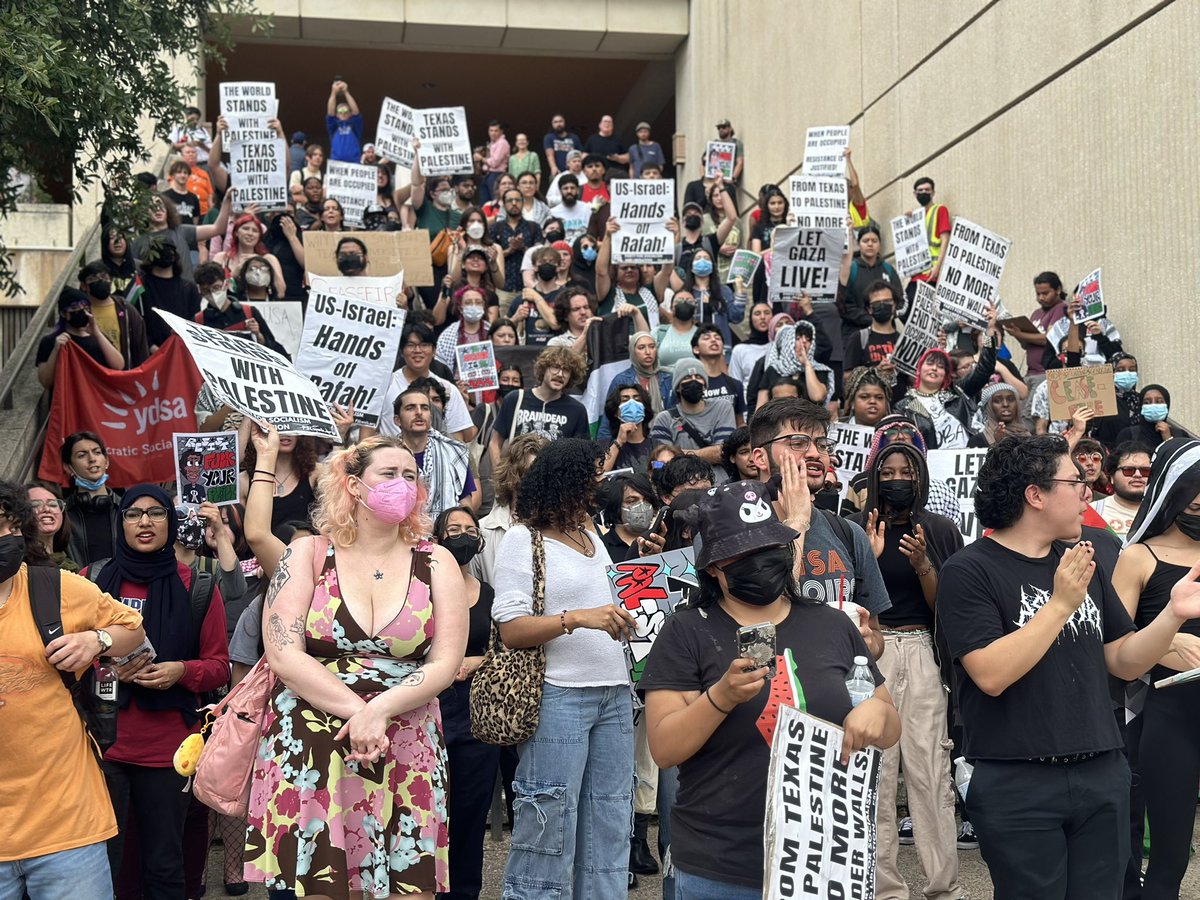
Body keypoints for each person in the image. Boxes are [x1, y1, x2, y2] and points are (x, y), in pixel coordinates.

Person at [935, 434, 1200, 898]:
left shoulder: (1082, 563)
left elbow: (1122, 659)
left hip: (1101, 768)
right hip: (1018, 778)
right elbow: (991, 675)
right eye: (1076, 481)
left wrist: (1172, 614)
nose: (1088, 491)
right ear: (1035, 495)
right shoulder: (969, 570)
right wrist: (1059, 605)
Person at [641, 477, 899, 898]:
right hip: (720, 867)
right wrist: (719, 698)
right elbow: (665, 748)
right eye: (742, 555)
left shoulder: (832, 624)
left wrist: (877, 713)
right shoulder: (686, 632)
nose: (759, 561)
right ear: (712, 568)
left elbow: (889, 726)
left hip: (822, 863)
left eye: (768, 548)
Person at [244, 436, 467, 898]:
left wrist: (380, 710)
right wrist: (360, 712)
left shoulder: (436, 560)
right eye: (389, 474)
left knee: (412, 885)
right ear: (353, 485)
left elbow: (445, 662)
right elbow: (284, 653)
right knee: (321, 885)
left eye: (410, 476)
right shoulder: (305, 553)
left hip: (406, 739)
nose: (402, 484)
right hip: (313, 743)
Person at [492, 438, 637, 899]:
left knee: (611, 820)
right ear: (566, 481)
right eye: (593, 474)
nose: (601, 482)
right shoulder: (522, 539)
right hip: (559, 694)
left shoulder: (592, 536)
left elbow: (612, 604)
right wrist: (577, 618)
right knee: (548, 820)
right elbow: (511, 629)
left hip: (614, 692)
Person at [0, 481, 147, 900]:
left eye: (14, 528)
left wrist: (96, 640)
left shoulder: (56, 588)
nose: (7, 539)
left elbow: (133, 630)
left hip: (68, 826)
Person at [86, 486, 229, 899]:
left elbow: (218, 666)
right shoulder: (92, 581)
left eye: (155, 513)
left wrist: (180, 670)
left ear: (171, 521)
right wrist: (103, 662)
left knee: (165, 863)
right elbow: (68, 654)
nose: (144, 522)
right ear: (121, 522)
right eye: (133, 514)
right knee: (106, 863)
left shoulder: (198, 586)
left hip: (167, 749)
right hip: (102, 746)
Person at [850, 443, 965, 900]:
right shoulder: (857, 529)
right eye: (889, 470)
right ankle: (883, 889)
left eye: (907, 471)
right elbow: (848, 598)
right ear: (875, 478)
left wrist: (923, 566)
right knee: (873, 776)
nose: (898, 478)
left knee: (931, 774)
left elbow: (951, 609)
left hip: (919, 651)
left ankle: (945, 887)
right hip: (868, 653)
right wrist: (871, 557)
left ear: (920, 480)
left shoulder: (938, 529)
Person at [1111, 438, 1200, 900]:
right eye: (1191, 496)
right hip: (1169, 717)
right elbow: (1115, 646)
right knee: (1169, 859)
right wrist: (1166, 642)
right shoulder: (1138, 557)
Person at [746, 398, 892, 657]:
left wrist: (869, 643)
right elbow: (761, 617)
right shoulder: (733, 533)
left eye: (822, 444)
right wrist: (798, 522)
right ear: (760, 457)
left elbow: (876, 635)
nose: (815, 453)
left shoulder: (849, 534)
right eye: (798, 442)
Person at [430, 506, 498, 900]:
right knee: (428, 811)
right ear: (438, 538)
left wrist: (479, 660)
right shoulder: (421, 589)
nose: (462, 535)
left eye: (470, 529)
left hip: (479, 715)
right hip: (431, 709)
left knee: (470, 815)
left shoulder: (489, 595)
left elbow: (505, 648)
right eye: (453, 529)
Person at [377, 322, 478, 443]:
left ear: (434, 350)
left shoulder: (447, 389)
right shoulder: (384, 385)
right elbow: (369, 429)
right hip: (392, 459)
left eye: (424, 345)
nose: (417, 350)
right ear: (401, 351)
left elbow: (458, 436)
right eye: (411, 345)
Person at [488, 346, 589, 465]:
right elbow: (495, 443)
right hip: (516, 479)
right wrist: (501, 479)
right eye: (555, 367)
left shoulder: (577, 410)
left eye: (566, 370)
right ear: (544, 369)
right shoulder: (515, 399)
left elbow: (582, 455)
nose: (560, 374)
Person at [470, 432, 548, 585]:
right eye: (528, 473)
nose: (536, 482)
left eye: (543, 475)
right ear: (512, 476)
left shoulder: (562, 529)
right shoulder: (483, 532)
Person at [392, 385, 479, 518]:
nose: (419, 412)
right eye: (410, 408)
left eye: (424, 408)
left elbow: (466, 504)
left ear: (430, 418)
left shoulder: (454, 453)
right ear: (397, 420)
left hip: (444, 534)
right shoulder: (386, 456)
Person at [648, 358, 736, 466]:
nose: (694, 381)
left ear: (705, 385)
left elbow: (724, 453)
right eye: (687, 377)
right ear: (678, 387)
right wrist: (708, 453)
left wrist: (679, 454)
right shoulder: (664, 419)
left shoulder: (722, 408)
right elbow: (661, 463)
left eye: (699, 377)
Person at [35, 288, 125, 389]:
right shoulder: (50, 341)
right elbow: (46, 381)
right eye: (74, 307)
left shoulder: (98, 338)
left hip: (95, 399)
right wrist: (56, 351)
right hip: (67, 401)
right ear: (63, 313)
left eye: (86, 307)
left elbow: (118, 365)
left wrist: (98, 334)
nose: (81, 311)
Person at [61, 431, 122, 568]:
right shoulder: (61, 514)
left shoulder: (127, 510)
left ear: (106, 461)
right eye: (82, 455)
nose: (92, 459)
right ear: (68, 467)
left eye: (97, 452)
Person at [131, 236, 204, 351]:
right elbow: (136, 322)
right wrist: (151, 347)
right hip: (150, 355)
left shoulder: (189, 288)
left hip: (182, 352)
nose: (165, 253)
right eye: (159, 250)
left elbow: (195, 324)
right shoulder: (140, 286)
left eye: (169, 249)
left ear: (175, 254)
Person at [77, 260, 150, 368]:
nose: (100, 281)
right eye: (93, 278)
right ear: (83, 286)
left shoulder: (126, 310)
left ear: (110, 280)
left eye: (104, 277)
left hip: (122, 376)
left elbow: (140, 347)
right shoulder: (80, 313)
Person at [754, 322, 833, 409]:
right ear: (788, 341)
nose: (804, 342)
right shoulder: (774, 369)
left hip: (809, 420)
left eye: (808, 339)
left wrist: (807, 364)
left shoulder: (819, 369)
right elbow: (760, 407)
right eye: (798, 338)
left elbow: (817, 397)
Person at [605, 331, 673, 422]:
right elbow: (608, 419)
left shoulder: (668, 378)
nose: (648, 352)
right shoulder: (621, 380)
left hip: (664, 431)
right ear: (633, 352)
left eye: (652, 347)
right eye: (641, 348)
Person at [905, 177, 951, 305]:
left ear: (933, 192)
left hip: (931, 274)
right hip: (916, 274)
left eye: (927, 190)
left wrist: (937, 267)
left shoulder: (939, 210)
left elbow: (945, 239)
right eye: (920, 190)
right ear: (915, 194)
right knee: (905, 308)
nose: (924, 192)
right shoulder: (915, 215)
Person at [1092, 442, 1152, 539]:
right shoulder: (1093, 511)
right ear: (1111, 477)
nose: (1138, 475)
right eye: (1128, 470)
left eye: (1145, 471)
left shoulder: (1163, 515)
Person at [691, 323, 746, 425]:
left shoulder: (735, 385)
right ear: (696, 349)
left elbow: (740, 423)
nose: (713, 340)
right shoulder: (690, 385)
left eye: (717, 338)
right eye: (706, 338)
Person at [598, 472, 660, 562]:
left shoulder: (659, 543)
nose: (642, 507)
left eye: (647, 500)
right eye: (632, 501)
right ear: (616, 506)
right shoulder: (601, 548)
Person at [842, 278, 901, 372]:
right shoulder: (858, 338)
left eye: (887, 301)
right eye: (876, 303)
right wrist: (875, 372)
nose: (882, 306)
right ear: (869, 309)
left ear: (894, 304)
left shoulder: (903, 341)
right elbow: (846, 377)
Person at [600, 383, 655, 473]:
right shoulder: (604, 446)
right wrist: (618, 443)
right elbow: (599, 475)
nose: (632, 403)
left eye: (637, 399)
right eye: (625, 400)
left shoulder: (656, 447)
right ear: (615, 411)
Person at [26, 482, 78, 572]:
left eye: (53, 504)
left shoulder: (70, 565)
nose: (47, 509)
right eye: (35, 505)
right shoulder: (18, 566)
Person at [1115, 384, 1187, 448]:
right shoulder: (1128, 435)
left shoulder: (1181, 435)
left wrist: (1168, 440)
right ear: (1141, 407)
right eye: (1147, 402)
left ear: (1167, 405)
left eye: (1159, 401)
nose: (1153, 405)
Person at [967, 381, 1030, 448]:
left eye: (1010, 399)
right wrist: (999, 444)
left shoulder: (1028, 437)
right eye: (997, 401)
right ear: (989, 407)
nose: (1005, 404)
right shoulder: (977, 441)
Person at [728, 299, 773, 388]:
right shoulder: (740, 349)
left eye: (767, 313)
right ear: (751, 319)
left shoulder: (779, 346)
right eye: (757, 313)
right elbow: (735, 383)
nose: (762, 317)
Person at [325, 78, 363, 163]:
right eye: (340, 111)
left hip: (354, 163)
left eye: (346, 111)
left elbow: (356, 112)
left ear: (350, 114)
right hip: (336, 163)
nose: (343, 113)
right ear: (337, 115)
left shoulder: (354, 125)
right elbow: (330, 113)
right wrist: (333, 92)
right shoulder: (334, 126)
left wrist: (346, 92)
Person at [585, 114, 628, 181]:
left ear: (613, 126)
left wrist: (617, 158)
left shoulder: (619, 139)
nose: (607, 124)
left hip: (616, 175)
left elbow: (627, 158)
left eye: (609, 122)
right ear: (599, 125)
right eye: (605, 121)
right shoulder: (592, 139)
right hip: (596, 175)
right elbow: (584, 156)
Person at [543, 113, 583, 179]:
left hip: (574, 172)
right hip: (558, 171)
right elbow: (549, 154)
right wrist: (553, 167)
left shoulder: (574, 137)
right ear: (552, 124)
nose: (558, 124)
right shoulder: (549, 137)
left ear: (564, 122)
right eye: (555, 122)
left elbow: (580, 154)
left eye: (560, 121)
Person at [161, 160, 201, 224]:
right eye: (179, 172)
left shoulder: (193, 197)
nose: (182, 175)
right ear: (173, 175)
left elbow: (195, 219)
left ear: (188, 176)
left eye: (185, 173)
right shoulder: (165, 196)